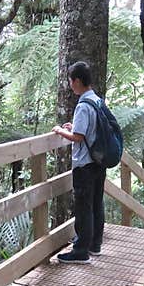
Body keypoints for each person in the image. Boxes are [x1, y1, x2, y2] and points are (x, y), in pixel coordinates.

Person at [52, 61, 105, 264]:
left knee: (84, 207)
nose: (69, 84)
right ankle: (95, 244)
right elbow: (88, 131)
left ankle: (81, 251)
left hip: (85, 164)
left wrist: (60, 131)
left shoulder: (83, 105)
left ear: (77, 81)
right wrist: (73, 127)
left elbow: (78, 137)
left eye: (70, 80)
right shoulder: (97, 101)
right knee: (96, 203)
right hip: (99, 162)